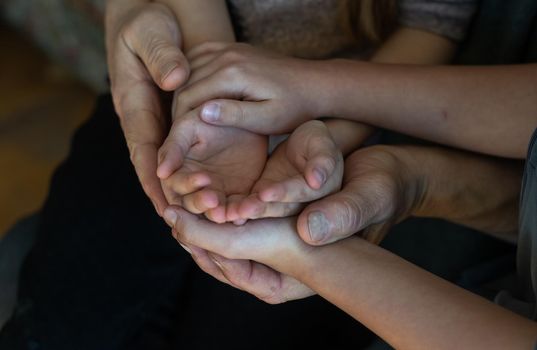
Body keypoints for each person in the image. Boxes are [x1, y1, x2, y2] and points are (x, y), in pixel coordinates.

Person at [0, 1, 490, 349]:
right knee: (63, 318)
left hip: (351, 128)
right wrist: (215, 105)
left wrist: (326, 137)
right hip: (186, 102)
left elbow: (431, 29)